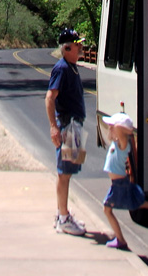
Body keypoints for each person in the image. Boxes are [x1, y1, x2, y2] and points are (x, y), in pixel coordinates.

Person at [46, 26, 87, 235]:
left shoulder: (71, 67)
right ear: (67, 47)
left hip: (74, 125)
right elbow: (50, 98)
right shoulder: (61, 69)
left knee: (69, 172)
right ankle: (63, 218)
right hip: (67, 125)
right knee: (64, 173)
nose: (81, 47)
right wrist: (54, 127)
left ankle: (62, 214)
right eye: (77, 44)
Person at [102, 113, 145, 250]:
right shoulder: (116, 143)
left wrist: (119, 127)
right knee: (131, 203)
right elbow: (111, 134)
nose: (110, 128)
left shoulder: (123, 144)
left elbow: (121, 130)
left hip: (120, 184)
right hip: (117, 184)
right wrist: (111, 128)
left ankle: (120, 239)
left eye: (112, 126)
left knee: (107, 210)